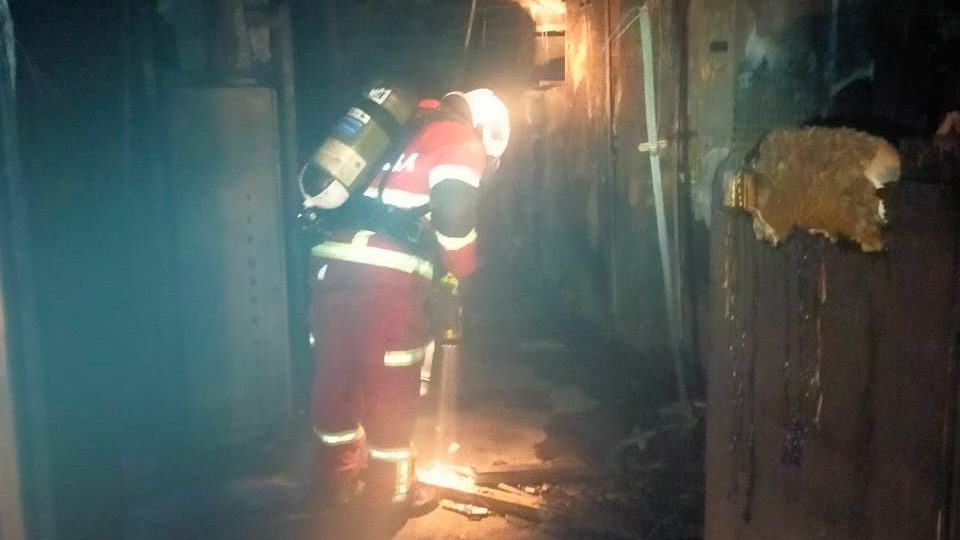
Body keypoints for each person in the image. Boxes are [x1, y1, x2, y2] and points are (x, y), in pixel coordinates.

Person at [306, 88, 510, 513]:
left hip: (330, 267)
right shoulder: (458, 140)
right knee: (392, 387)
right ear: (485, 131)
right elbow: (454, 217)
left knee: (336, 374)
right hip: (387, 280)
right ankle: (391, 494)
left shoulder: (398, 134)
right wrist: (462, 269)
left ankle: (336, 480)